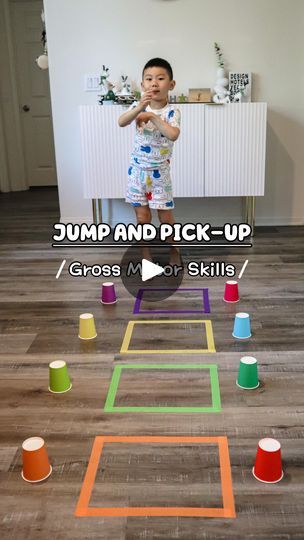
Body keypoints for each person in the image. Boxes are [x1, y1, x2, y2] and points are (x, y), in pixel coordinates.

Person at [118, 57, 181, 266]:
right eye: (149, 78)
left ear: (171, 85)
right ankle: (146, 257)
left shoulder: (172, 111)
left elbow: (172, 135)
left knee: (166, 219)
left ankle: (174, 253)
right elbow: (121, 122)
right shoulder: (138, 105)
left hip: (160, 174)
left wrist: (152, 117)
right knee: (142, 219)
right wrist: (140, 109)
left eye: (161, 78)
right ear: (143, 84)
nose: (154, 83)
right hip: (137, 173)